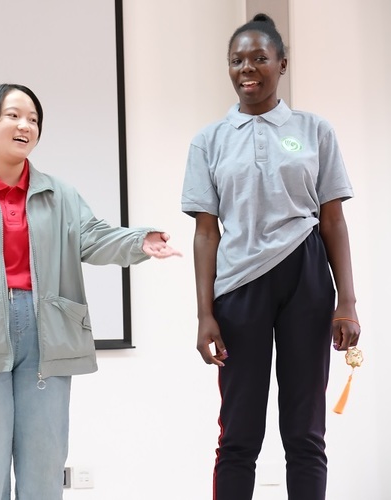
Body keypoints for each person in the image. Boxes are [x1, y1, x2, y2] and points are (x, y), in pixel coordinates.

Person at [0, 82, 181, 499]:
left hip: (47, 336)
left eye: (33, 119)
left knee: (44, 466)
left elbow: (93, 237)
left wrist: (139, 241)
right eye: (13, 116)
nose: (25, 125)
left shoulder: (59, 193)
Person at [181, 14, 360, 500]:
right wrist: (204, 314)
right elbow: (205, 234)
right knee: (238, 433)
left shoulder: (314, 130)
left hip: (306, 276)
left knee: (305, 431)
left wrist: (347, 301)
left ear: (282, 64)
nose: (247, 68)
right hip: (239, 286)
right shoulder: (209, 140)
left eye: (259, 58)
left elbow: (333, 221)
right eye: (237, 60)